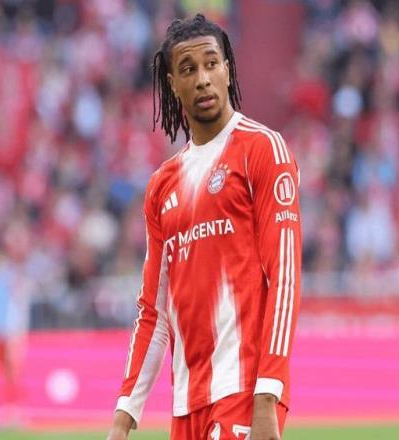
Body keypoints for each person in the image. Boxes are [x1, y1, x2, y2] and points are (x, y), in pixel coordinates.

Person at [107, 13, 301, 440]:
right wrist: (123, 418)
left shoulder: (262, 149)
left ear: (228, 69)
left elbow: (284, 277)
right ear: (172, 83)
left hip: (245, 390)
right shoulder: (161, 185)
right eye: (189, 69)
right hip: (186, 404)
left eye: (212, 64)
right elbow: (154, 313)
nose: (203, 79)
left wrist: (267, 395)